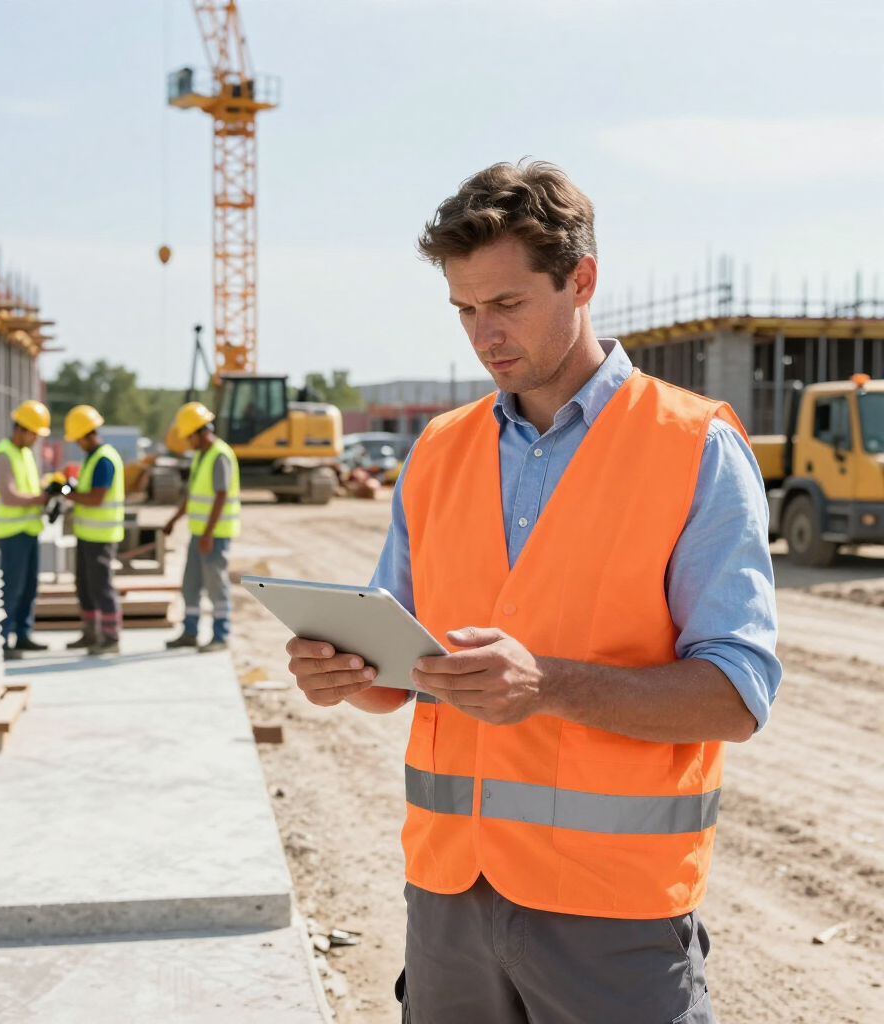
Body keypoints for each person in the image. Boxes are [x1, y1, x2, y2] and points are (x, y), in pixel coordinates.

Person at [285, 161, 781, 1024]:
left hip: (613, 910)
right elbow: (395, 669)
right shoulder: (438, 450)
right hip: (446, 896)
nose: (484, 334)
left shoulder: (692, 446)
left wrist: (547, 685)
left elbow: (737, 697)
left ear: (581, 281)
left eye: (507, 304)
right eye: (465, 310)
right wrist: (347, 674)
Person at [163, 401, 241, 653]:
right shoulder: (201, 456)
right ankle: (190, 631)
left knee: (216, 585)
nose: (187, 442)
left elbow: (220, 496)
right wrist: (173, 520)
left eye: (189, 437)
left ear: (200, 431)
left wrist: (207, 535)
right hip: (200, 533)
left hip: (214, 536)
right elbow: (192, 495)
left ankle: (220, 635)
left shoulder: (220, 455)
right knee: (191, 584)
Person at [0, 400, 51, 660]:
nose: (36, 439)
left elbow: (30, 488)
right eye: (34, 433)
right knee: (11, 588)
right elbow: (9, 496)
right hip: (11, 533)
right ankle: (2, 638)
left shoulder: (24, 454)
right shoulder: (3, 454)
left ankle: (22, 634)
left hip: (28, 530)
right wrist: (41, 498)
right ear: (22, 429)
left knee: (28, 588)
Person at [63, 405, 125, 655]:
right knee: (85, 585)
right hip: (88, 533)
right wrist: (70, 489)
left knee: (101, 587)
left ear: (88, 434)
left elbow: (96, 497)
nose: (77, 443)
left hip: (101, 535)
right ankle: (91, 633)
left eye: (78, 438)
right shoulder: (92, 458)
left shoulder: (104, 459)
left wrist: (70, 494)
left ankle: (110, 637)